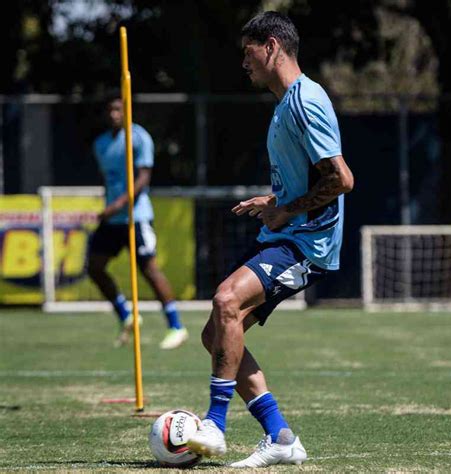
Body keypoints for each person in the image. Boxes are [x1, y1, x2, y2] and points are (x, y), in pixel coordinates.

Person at [186, 11, 354, 468]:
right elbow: (310, 179)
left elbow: (341, 179)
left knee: (225, 302)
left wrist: (286, 210)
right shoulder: (285, 104)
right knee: (217, 331)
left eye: (248, 52)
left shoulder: (305, 101)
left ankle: (214, 427)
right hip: (286, 231)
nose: (244, 63)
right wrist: (276, 199)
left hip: (307, 244)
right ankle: (280, 437)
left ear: (272, 47)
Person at [87, 94, 188, 350]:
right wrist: (109, 206)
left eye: (118, 109)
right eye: (110, 109)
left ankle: (176, 326)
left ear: (127, 111)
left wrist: (117, 205)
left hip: (136, 216)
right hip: (113, 220)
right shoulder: (100, 144)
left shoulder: (139, 137)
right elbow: (108, 180)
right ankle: (127, 315)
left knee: (150, 270)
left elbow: (143, 179)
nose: (114, 114)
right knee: (95, 267)